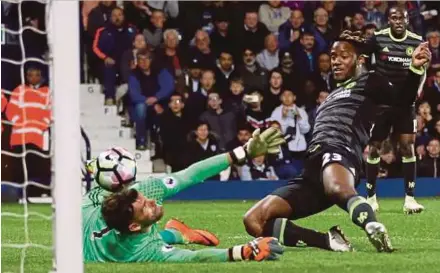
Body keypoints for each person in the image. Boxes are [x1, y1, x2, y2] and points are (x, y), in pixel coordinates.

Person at [242, 30, 431, 253]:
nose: (336, 61)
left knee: (336, 187)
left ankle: (372, 225)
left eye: (343, 56)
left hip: (341, 151)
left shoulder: (371, 81)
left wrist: (415, 69)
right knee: (254, 220)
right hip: (312, 168)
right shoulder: (332, 94)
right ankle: (328, 241)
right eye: (333, 56)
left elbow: (402, 100)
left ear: (359, 60)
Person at [82, 128, 286, 262]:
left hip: (102, 215)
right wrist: (245, 251)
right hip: (126, 238)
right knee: (155, 236)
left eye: (144, 198)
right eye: (145, 206)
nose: (151, 200)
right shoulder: (142, 251)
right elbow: (194, 258)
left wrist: (242, 152)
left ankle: (176, 233)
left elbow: (190, 175)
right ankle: (177, 234)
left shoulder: (94, 203)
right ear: (133, 225)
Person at [364, 6, 425, 214]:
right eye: (394, 17)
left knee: (408, 147)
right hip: (382, 103)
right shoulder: (378, 38)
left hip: (405, 103)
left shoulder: (416, 40)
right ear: (388, 20)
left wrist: (418, 89)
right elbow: (362, 61)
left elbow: (423, 67)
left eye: (402, 18)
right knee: (374, 147)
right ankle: (371, 198)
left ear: (407, 20)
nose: (398, 21)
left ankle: (410, 199)